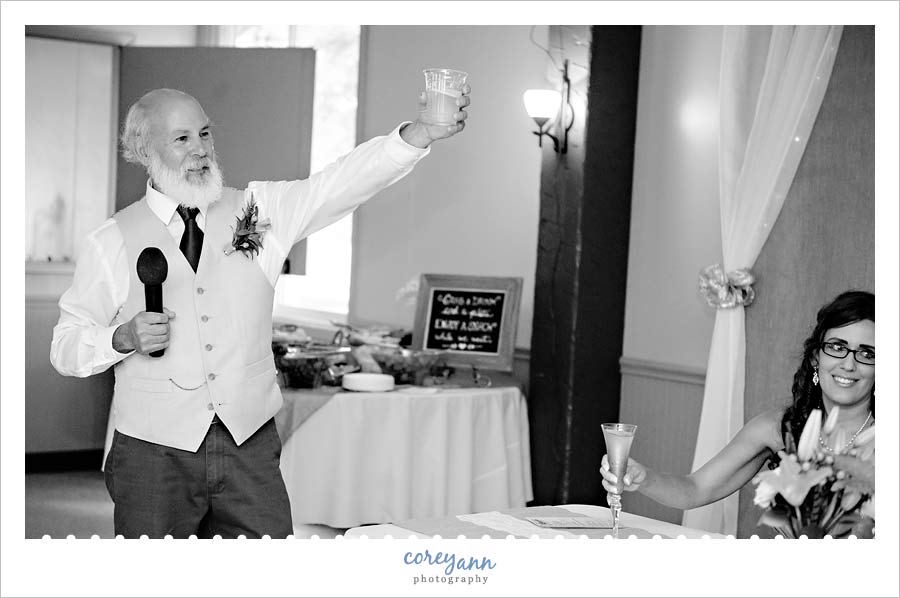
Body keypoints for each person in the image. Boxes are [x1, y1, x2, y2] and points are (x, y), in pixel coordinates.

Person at [50, 84, 470, 538]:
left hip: (248, 447)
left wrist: (418, 134)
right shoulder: (110, 240)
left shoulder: (257, 211)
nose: (200, 150)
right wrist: (121, 337)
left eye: (205, 133)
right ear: (143, 150)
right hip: (153, 453)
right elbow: (65, 347)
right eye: (182, 139)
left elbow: (338, 184)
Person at [600, 290, 875, 519]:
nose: (849, 364)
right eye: (837, 347)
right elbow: (695, 489)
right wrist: (644, 477)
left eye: (867, 353)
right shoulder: (778, 428)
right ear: (816, 357)